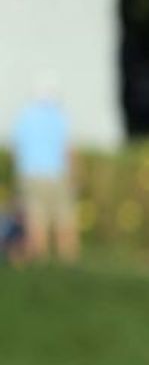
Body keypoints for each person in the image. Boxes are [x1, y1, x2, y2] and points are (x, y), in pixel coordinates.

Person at [10, 77, 77, 263]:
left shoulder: (25, 116)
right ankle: (68, 261)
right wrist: (73, 175)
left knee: (36, 220)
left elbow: (17, 149)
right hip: (57, 175)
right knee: (64, 219)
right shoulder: (59, 116)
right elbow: (67, 149)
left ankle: (41, 260)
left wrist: (19, 176)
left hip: (31, 175)